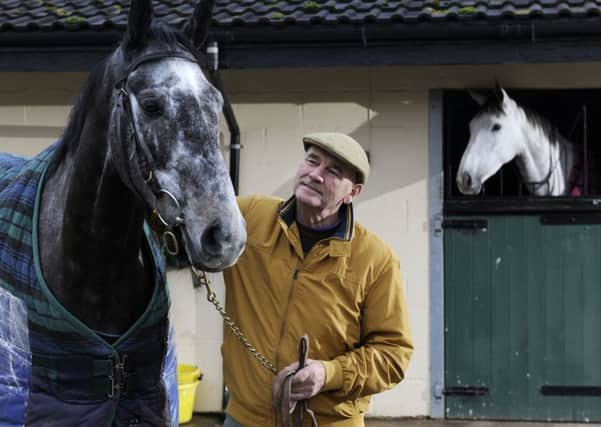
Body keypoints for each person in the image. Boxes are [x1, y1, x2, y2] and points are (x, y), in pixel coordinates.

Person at [222, 132, 414, 426]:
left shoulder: (377, 260)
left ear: (353, 192)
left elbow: (393, 354)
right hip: (245, 419)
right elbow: (183, 224)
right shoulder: (249, 216)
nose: (316, 174)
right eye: (312, 161)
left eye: (333, 172)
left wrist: (329, 374)